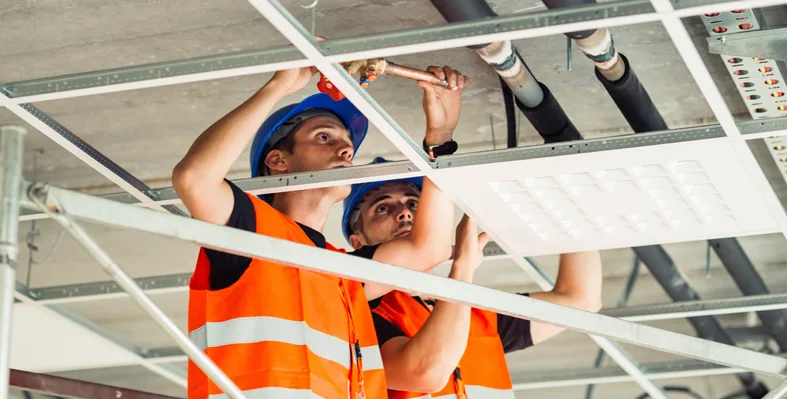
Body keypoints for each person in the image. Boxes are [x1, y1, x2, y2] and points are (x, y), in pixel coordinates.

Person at [173, 64, 468, 399]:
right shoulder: (252, 233)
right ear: (279, 161)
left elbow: (428, 249)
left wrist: (441, 138)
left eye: (346, 144)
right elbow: (194, 178)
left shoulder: (340, 272)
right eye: (324, 137)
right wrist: (279, 85)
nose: (345, 150)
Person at [343, 132, 604, 397]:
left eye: (413, 202)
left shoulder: (477, 318)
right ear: (358, 242)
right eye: (382, 208)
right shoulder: (355, 312)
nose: (405, 212)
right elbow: (423, 372)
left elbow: (580, 300)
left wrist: (569, 203)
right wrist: (463, 268)